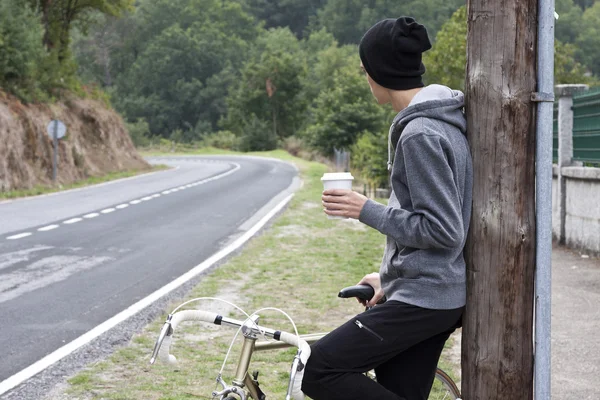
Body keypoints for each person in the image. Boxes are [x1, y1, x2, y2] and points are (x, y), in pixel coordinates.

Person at [301, 16, 473, 400]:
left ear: (380, 71)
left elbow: (443, 230)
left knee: (317, 368)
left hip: (427, 298)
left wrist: (365, 209)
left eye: (366, 70)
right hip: (427, 293)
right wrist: (390, 277)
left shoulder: (421, 134)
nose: (366, 79)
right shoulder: (439, 121)